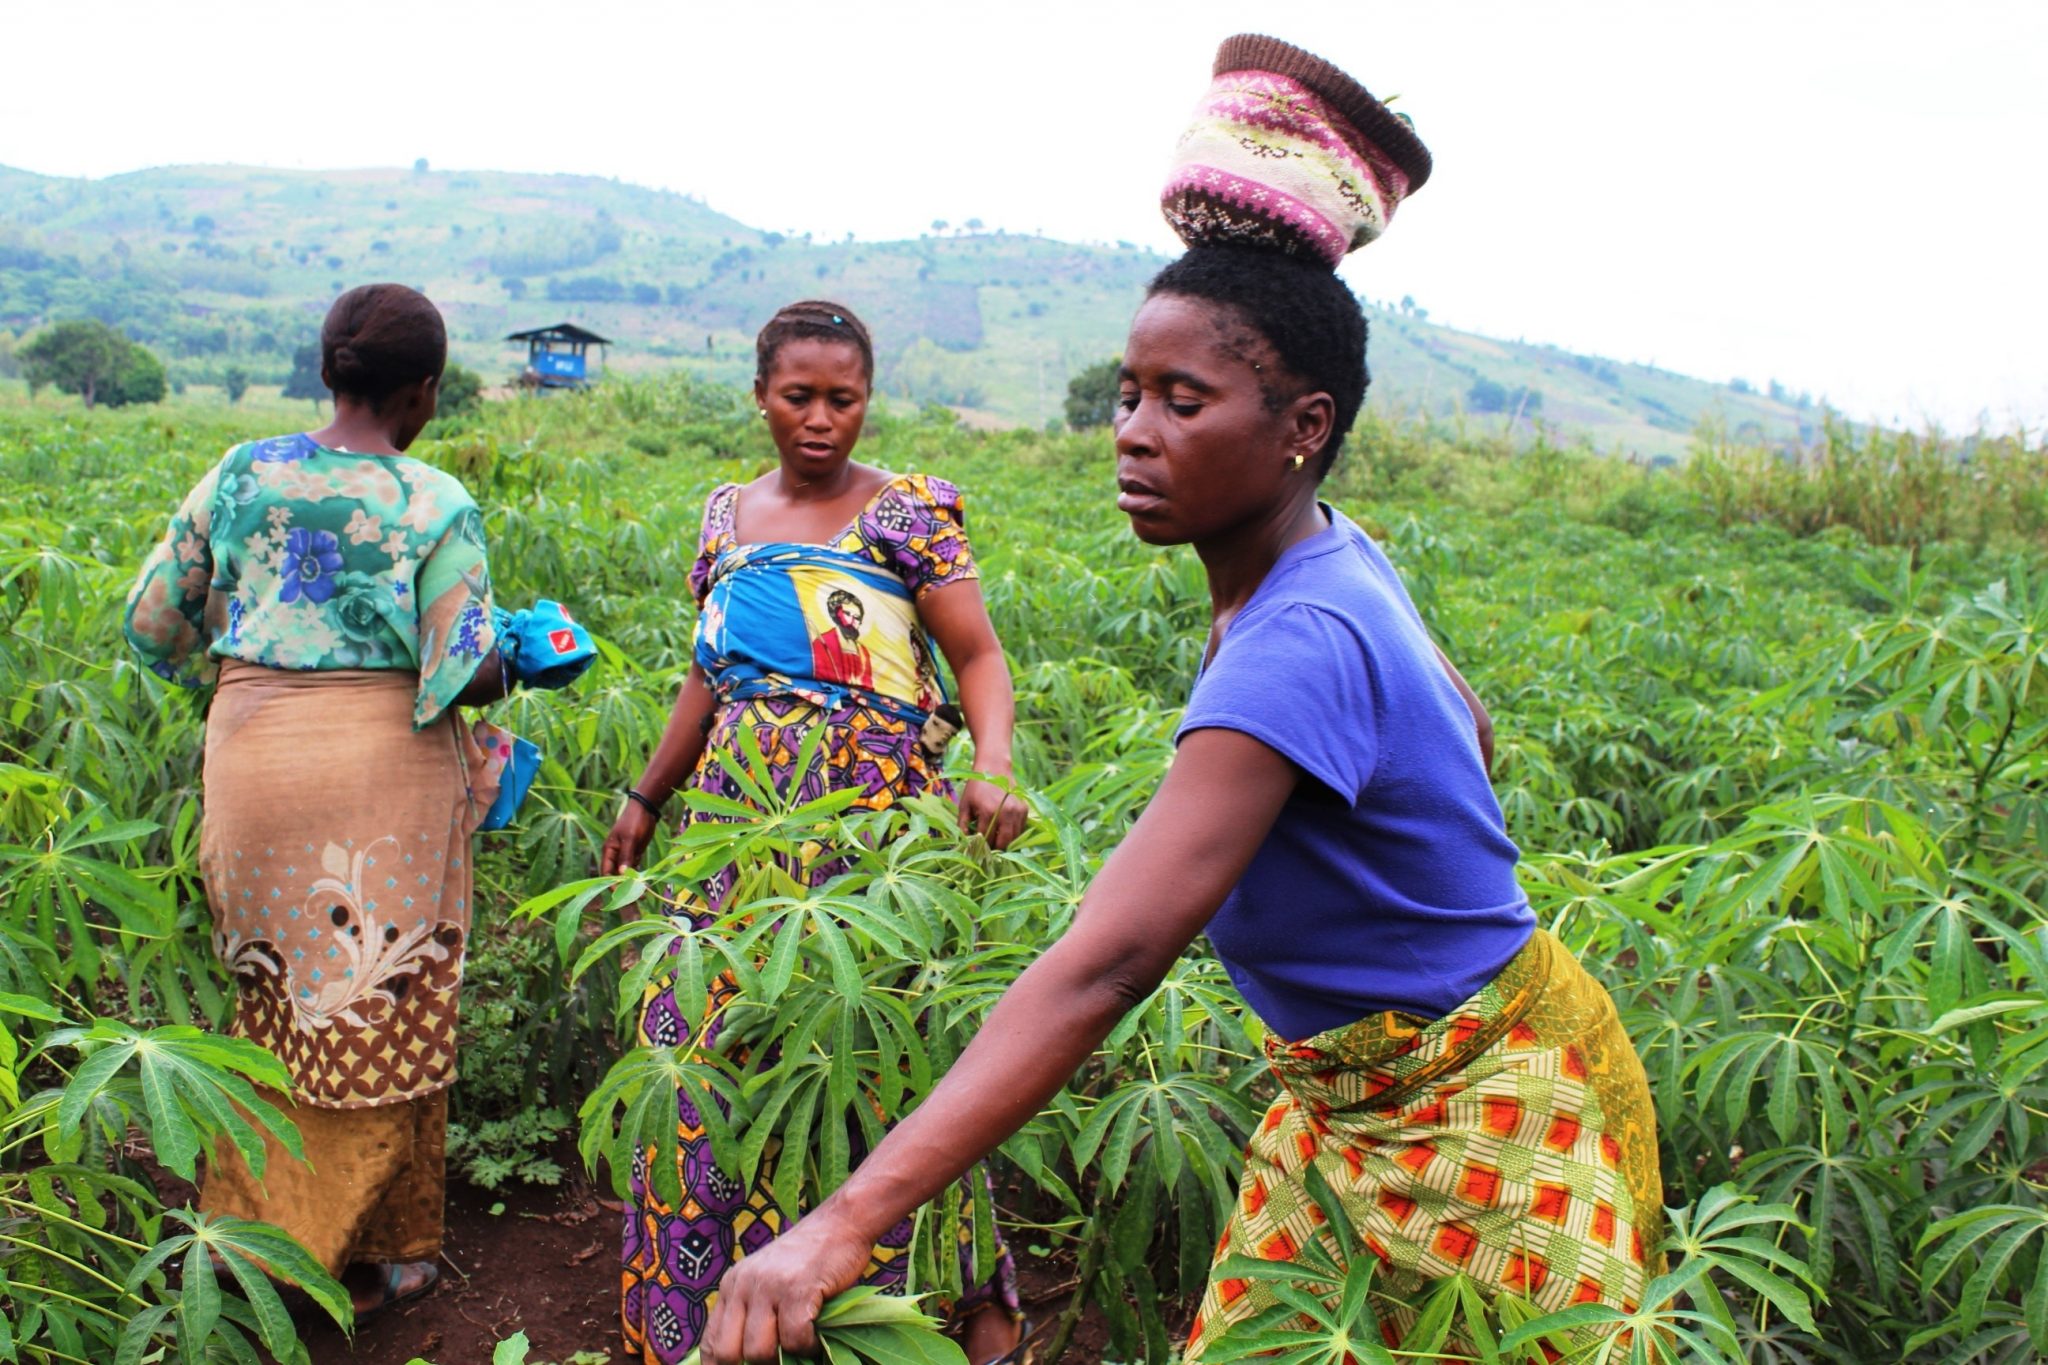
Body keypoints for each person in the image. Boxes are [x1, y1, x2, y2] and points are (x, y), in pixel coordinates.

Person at [693, 37, 1665, 1365]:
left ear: (1303, 426)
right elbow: (1470, 725)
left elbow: (1109, 961)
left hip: (1480, 1115)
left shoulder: (1296, 639)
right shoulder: (1328, 557)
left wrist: (842, 1222)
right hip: (1350, 1095)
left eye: (1183, 401)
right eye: (1130, 393)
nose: (1134, 430)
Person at [602, 301, 1029, 1365]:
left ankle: (923, 1320)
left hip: (869, 835)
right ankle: (708, 1317)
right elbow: (707, 674)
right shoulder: (724, 517)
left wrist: (991, 765)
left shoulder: (903, 513)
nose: (822, 418)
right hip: (733, 828)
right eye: (800, 397)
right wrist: (647, 796)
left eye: (844, 398)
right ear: (761, 396)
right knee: (701, 1050)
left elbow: (977, 655)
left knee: (875, 1059)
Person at [122, 283, 519, 1319]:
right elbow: (464, 670)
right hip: (382, 763)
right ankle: (368, 1253)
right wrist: (518, 654)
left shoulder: (239, 473)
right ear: (424, 389)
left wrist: (246, 670)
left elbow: (155, 620)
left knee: (276, 994)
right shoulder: (433, 500)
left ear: (328, 369)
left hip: (253, 753)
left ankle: (255, 1239)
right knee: (380, 993)